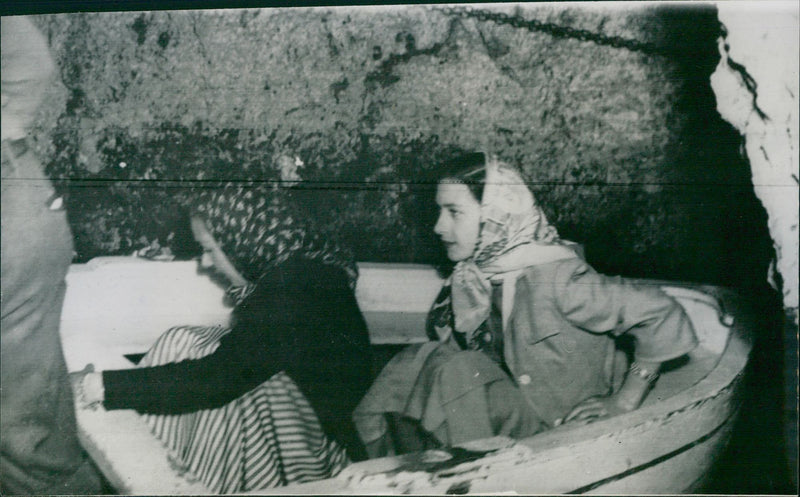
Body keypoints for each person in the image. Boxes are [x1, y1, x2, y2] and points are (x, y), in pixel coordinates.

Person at [353, 152, 699, 457]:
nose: (438, 226)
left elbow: (663, 313)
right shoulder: (480, 274)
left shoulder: (556, 277)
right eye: (438, 211)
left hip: (561, 424)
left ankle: (476, 477)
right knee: (420, 359)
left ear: (494, 216)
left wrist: (623, 400)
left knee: (458, 371)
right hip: (518, 401)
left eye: (453, 212)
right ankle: (396, 465)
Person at [71, 184, 374, 492]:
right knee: (189, 342)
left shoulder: (294, 287)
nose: (205, 262)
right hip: (305, 428)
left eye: (209, 248)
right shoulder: (303, 272)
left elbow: (219, 378)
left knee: (193, 356)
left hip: (317, 452)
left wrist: (98, 385)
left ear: (242, 240)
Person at [1, 16, 104, 495]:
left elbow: (30, 62)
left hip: (13, 202)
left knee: (21, 433)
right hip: (20, 183)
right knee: (30, 405)